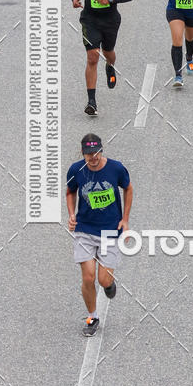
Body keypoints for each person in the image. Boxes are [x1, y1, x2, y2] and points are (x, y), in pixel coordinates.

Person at [66, 134, 133, 337]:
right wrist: (71, 214)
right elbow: (70, 192)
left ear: (102, 150)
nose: (93, 158)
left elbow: (128, 189)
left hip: (109, 230)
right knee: (88, 277)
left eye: (96, 153)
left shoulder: (116, 169)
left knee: (103, 280)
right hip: (85, 229)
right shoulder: (75, 170)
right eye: (88, 154)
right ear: (82, 153)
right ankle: (92, 317)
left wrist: (125, 219)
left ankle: (109, 285)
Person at [71, 0, 134, 116]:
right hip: (89, 20)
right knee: (92, 56)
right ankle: (92, 101)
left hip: (110, 21)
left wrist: (111, 0)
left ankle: (110, 65)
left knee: (108, 52)